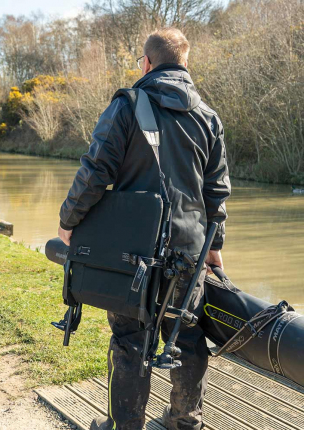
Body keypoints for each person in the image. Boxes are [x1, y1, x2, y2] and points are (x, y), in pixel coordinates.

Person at [58, 27, 231, 430]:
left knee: (130, 340)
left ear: (147, 63)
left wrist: (69, 220)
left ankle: (126, 424)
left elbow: (95, 171)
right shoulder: (209, 117)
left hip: (132, 251)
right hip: (189, 248)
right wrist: (214, 247)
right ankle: (185, 422)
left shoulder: (128, 104)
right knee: (187, 336)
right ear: (185, 63)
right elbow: (217, 192)